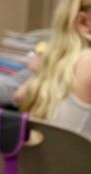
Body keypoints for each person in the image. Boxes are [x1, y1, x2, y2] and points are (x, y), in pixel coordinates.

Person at [16, 0, 91, 138]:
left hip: (50, 158)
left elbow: (19, 96)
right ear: (83, 22)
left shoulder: (56, 62)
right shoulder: (88, 62)